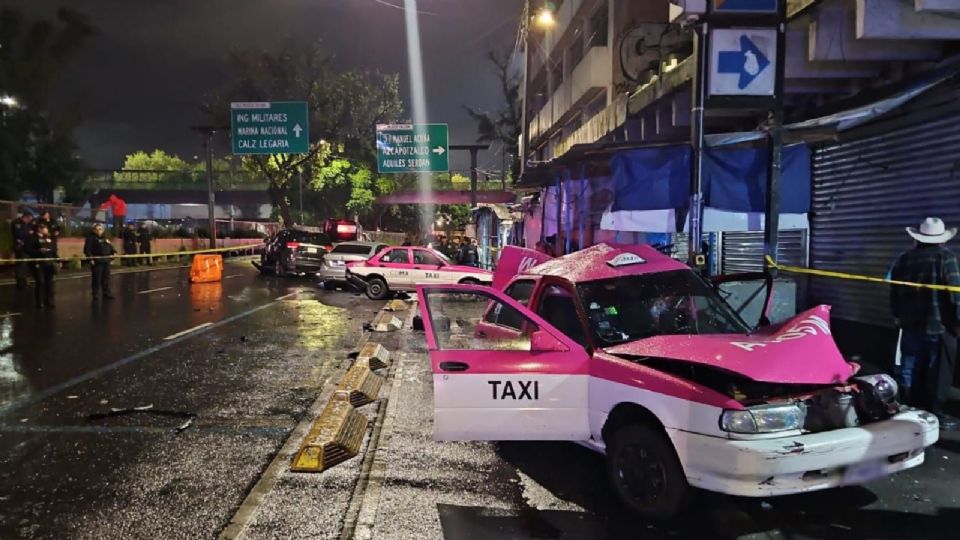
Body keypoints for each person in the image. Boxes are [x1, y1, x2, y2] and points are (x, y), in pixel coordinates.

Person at [890, 217, 960, 430]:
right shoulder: (946, 258)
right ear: (941, 240)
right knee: (937, 371)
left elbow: (894, 290)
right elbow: (955, 294)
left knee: (909, 367)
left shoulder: (904, 258)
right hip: (938, 326)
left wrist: (898, 315)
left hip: (910, 325)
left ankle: (907, 407)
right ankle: (934, 413)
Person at [27, 223, 58, 309]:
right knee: (40, 282)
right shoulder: (33, 238)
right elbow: (28, 249)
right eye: (44, 228)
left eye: (46, 228)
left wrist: (57, 259)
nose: (46, 229)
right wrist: (39, 251)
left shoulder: (49, 238)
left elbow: (54, 250)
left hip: (49, 262)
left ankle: (49, 301)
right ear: (39, 229)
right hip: (38, 263)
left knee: (50, 282)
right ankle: (39, 302)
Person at [84, 223, 116, 300]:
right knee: (96, 279)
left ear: (103, 230)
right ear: (94, 230)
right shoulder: (91, 238)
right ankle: (96, 294)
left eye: (100, 229)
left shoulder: (105, 238)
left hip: (106, 261)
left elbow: (110, 247)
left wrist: (114, 253)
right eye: (97, 229)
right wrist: (90, 259)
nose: (99, 231)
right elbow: (87, 250)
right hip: (97, 261)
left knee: (106, 278)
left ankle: (106, 293)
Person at [10, 212, 34, 291]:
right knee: (21, 267)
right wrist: (28, 232)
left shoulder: (28, 224)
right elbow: (18, 234)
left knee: (24, 267)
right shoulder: (17, 223)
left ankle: (24, 283)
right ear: (25, 217)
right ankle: (20, 285)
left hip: (27, 248)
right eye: (29, 219)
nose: (29, 221)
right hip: (20, 248)